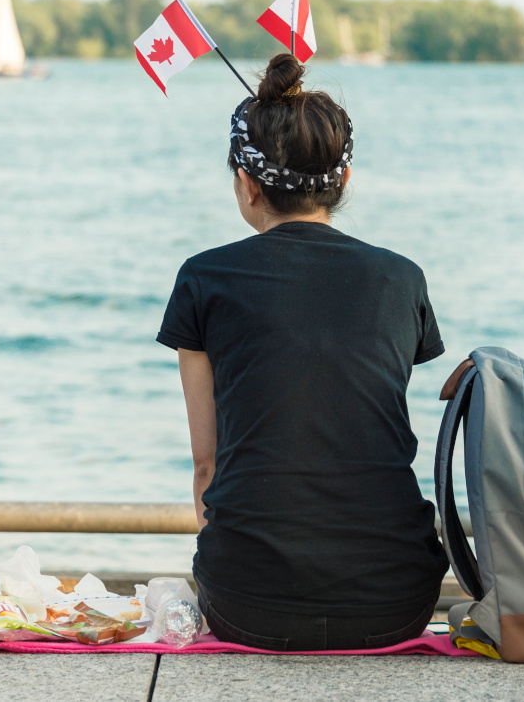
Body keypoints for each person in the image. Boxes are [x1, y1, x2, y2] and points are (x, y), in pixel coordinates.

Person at [156, 53, 450, 651]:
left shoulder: (203, 278)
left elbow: (206, 466)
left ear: (247, 182)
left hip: (247, 606)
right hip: (398, 601)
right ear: (343, 180)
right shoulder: (402, 279)